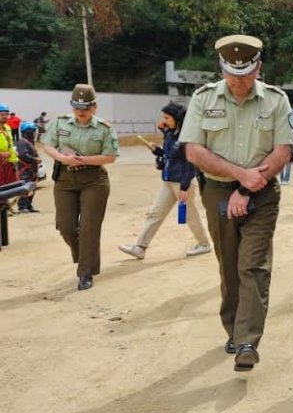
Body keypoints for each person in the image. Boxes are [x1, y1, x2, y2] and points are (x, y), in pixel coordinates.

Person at [180, 34, 293, 372]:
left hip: (261, 193)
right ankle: (232, 328)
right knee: (229, 266)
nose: (239, 81)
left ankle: (247, 340)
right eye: (232, 74)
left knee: (253, 266)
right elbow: (194, 150)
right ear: (221, 69)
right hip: (216, 191)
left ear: (258, 68)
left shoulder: (276, 100)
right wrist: (237, 175)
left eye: (246, 73)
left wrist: (247, 187)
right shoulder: (203, 99)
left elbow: (282, 150)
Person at [41, 84, 119, 291]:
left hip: (94, 180)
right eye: (77, 106)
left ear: (94, 107)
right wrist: (61, 157)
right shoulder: (60, 123)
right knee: (65, 226)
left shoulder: (104, 128)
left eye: (85, 107)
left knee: (89, 228)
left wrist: (83, 159)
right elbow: (47, 145)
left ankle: (85, 272)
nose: (81, 111)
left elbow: (110, 157)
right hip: (65, 180)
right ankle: (82, 254)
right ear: (72, 106)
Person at [118, 102, 211, 260]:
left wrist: (184, 188)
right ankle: (140, 247)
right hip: (169, 181)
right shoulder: (170, 134)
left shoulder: (187, 138)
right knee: (155, 213)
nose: (163, 120)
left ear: (177, 119)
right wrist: (157, 151)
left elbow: (190, 164)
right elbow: (169, 155)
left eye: (167, 117)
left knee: (190, 215)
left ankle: (204, 244)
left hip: (183, 182)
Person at [15, 121, 41, 212]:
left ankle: (29, 205)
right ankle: (22, 206)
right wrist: (35, 159)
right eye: (33, 131)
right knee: (25, 188)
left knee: (32, 187)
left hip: (31, 170)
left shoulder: (30, 142)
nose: (34, 133)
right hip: (25, 169)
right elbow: (23, 155)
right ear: (28, 132)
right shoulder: (22, 142)